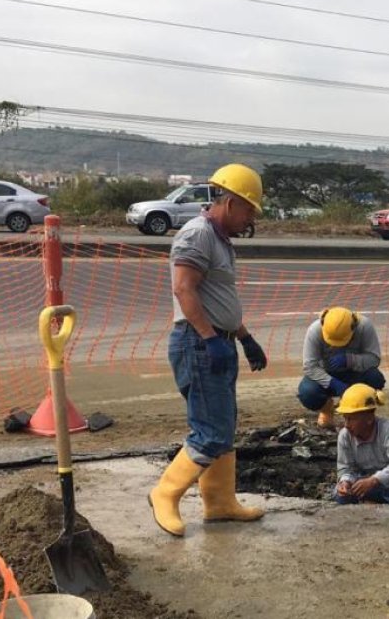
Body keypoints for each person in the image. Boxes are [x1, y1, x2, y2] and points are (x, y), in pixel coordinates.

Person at [149, 163, 269, 537]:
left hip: (217, 340)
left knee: (224, 425)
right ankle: (164, 494)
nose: (250, 218)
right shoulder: (197, 235)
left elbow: (219, 298)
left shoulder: (219, 241)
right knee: (210, 431)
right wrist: (210, 338)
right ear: (231, 203)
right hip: (199, 344)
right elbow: (184, 289)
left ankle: (219, 503)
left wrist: (244, 338)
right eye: (249, 209)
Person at [332, 384, 389, 505]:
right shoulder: (345, 436)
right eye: (345, 418)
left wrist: (374, 480)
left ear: (369, 418)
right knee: (339, 494)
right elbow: (345, 468)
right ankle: (373, 503)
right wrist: (345, 482)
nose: (346, 424)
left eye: (351, 419)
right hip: (372, 483)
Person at [298, 306, 385, 428]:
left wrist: (350, 360)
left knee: (375, 379)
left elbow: (374, 359)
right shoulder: (315, 330)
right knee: (308, 392)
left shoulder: (364, 326)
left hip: (355, 373)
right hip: (327, 374)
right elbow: (310, 367)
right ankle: (327, 410)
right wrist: (332, 383)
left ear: (353, 328)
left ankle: (359, 414)